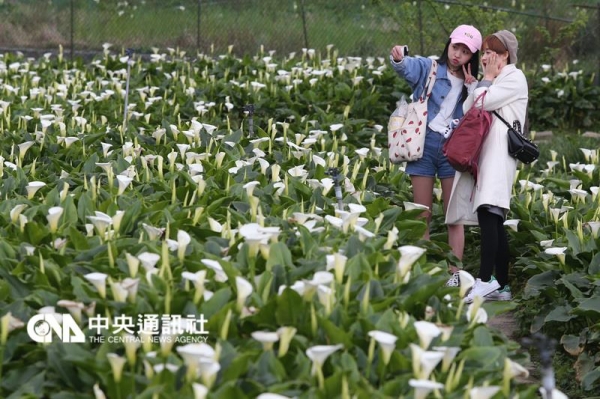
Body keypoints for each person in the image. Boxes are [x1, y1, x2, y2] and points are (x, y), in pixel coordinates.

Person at [390, 25, 482, 283]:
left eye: (465, 52)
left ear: (471, 57)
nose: (457, 55)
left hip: (451, 149)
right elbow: (407, 66)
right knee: (422, 214)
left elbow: (478, 116)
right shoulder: (430, 67)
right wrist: (398, 58)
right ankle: (427, 273)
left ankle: (456, 275)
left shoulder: (472, 84)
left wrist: (472, 87)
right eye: (455, 48)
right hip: (423, 145)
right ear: (448, 45)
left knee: (455, 216)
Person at [444, 30, 528, 303]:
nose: (487, 56)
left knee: (488, 213)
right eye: (486, 51)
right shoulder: (494, 78)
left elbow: (481, 102)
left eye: (494, 52)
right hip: (487, 156)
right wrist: (482, 83)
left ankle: (484, 280)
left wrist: (486, 81)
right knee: (493, 217)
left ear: (506, 55)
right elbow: (470, 107)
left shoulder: (514, 77)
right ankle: (502, 286)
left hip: (499, 155)